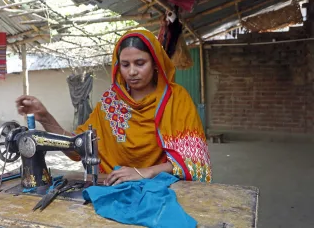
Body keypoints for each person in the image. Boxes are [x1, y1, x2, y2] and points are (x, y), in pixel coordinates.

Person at [16, 29, 211, 186]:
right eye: (125, 65)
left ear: (156, 64)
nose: (132, 71)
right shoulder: (111, 103)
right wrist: (44, 116)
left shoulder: (176, 99)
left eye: (140, 63)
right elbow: (77, 149)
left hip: (163, 189)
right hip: (115, 186)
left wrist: (144, 172)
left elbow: (194, 162)